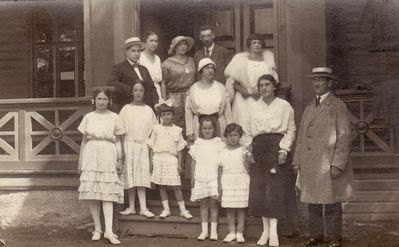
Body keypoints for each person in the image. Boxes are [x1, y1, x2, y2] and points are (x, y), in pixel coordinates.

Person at [293, 67, 353, 247]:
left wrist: (338, 164)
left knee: (332, 201)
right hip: (310, 162)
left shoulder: (338, 106)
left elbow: (344, 137)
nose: (316, 83)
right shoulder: (310, 106)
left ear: (329, 83)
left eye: (320, 80)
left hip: (328, 163)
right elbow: (301, 136)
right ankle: (316, 236)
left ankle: (334, 237)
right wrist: (297, 161)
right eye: (314, 80)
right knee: (313, 201)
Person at [242, 74, 296, 247]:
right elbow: (247, 130)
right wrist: (249, 148)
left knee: (274, 189)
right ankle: (264, 231)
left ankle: (274, 232)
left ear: (274, 86)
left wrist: (284, 150)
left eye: (267, 84)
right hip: (258, 148)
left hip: (275, 147)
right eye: (261, 85)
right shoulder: (253, 107)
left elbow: (290, 130)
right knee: (260, 189)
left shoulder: (284, 106)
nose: (264, 88)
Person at [77, 88, 125, 245]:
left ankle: (109, 231)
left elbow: (118, 141)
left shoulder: (115, 117)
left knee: (107, 192)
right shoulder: (88, 117)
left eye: (105, 99)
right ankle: (97, 228)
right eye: (99, 99)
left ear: (109, 101)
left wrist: (119, 159)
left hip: (108, 153)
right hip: (91, 153)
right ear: (94, 100)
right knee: (93, 192)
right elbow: (84, 141)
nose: (102, 102)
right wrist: (81, 160)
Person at [147, 99, 193, 219]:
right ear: (160, 116)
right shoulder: (156, 129)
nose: (166, 117)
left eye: (168, 114)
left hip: (171, 159)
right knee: (161, 185)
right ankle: (166, 209)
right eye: (164, 114)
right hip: (159, 158)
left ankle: (183, 210)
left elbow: (179, 149)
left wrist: (179, 164)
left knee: (176, 185)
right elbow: (151, 146)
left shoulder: (177, 130)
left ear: (172, 115)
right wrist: (151, 162)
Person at [119, 82, 157, 218]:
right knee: (130, 176)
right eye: (136, 90)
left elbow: (154, 131)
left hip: (143, 146)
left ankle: (143, 207)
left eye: (141, 90)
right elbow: (120, 130)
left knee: (141, 176)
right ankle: (131, 207)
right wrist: (122, 149)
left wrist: (150, 148)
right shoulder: (126, 109)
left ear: (144, 92)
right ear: (132, 92)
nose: (138, 93)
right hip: (129, 145)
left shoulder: (149, 110)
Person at [224, 33, 279, 129]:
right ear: (249, 45)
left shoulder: (267, 61)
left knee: (259, 125)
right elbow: (232, 81)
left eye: (259, 43)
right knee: (243, 125)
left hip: (261, 97)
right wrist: (244, 92)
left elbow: (272, 81)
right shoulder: (239, 59)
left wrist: (260, 92)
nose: (257, 45)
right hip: (243, 98)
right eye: (254, 42)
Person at [189, 115, 225, 241]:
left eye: (210, 128)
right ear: (201, 129)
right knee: (203, 205)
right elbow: (194, 161)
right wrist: (193, 177)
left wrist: (220, 182)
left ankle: (213, 232)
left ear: (214, 129)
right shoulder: (198, 143)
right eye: (205, 128)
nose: (207, 130)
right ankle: (204, 231)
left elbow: (221, 165)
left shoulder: (219, 143)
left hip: (213, 177)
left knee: (213, 205)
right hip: (200, 176)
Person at [219, 123, 253, 244]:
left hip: (241, 179)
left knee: (241, 207)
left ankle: (240, 232)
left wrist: (248, 160)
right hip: (227, 180)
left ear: (240, 136)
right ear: (226, 137)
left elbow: (248, 169)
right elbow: (220, 169)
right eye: (230, 135)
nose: (233, 138)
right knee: (230, 207)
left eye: (235, 135)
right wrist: (219, 186)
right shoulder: (222, 151)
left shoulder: (244, 151)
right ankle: (231, 231)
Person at [185, 57, 232, 142]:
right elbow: (188, 111)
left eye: (212, 68)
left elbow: (227, 110)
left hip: (218, 125)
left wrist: (230, 128)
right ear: (201, 71)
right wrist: (189, 131)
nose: (210, 70)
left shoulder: (220, 87)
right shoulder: (193, 88)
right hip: (199, 126)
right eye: (207, 68)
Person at [107, 36, 159, 112]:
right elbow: (111, 82)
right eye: (133, 51)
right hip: (128, 105)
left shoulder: (143, 69)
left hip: (145, 107)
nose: (136, 54)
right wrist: (131, 89)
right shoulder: (119, 67)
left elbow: (152, 88)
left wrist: (155, 102)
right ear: (126, 52)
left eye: (139, 51)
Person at [161, 35, 196, 134]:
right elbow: (163, 82)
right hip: (174, 97)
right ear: (175, 47)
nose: (183, 47)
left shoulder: (191, 61)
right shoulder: (167, 63)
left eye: (184, 44)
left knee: (190, 125)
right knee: (175, 125)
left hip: (189, 96)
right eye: (180, 45)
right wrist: (165, 103)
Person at [139, 31, 163, 100]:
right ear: (145, 42)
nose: (154, 44)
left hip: (157, 92)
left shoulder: (157, 58)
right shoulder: (140, 57)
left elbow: (161, 81)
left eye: (156, 41)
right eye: (151, 41)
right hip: (145, 92)